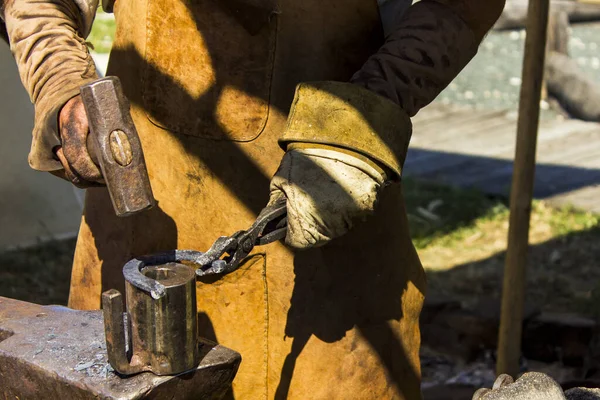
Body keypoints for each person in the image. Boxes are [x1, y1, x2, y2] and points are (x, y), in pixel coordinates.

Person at [1, 0, 505, 398]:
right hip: (138, 239)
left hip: (329, 264)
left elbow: (460, 5)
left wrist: (373, 106)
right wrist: (61, 82)